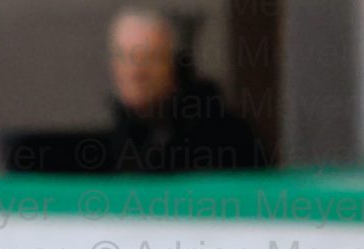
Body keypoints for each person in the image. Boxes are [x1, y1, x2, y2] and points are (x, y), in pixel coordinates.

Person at [101, 7, 270, 173]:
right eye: (122, 57)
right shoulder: (116, 139)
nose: (134, 72)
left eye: (149, 58)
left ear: (175, 65)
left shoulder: (225, 136)